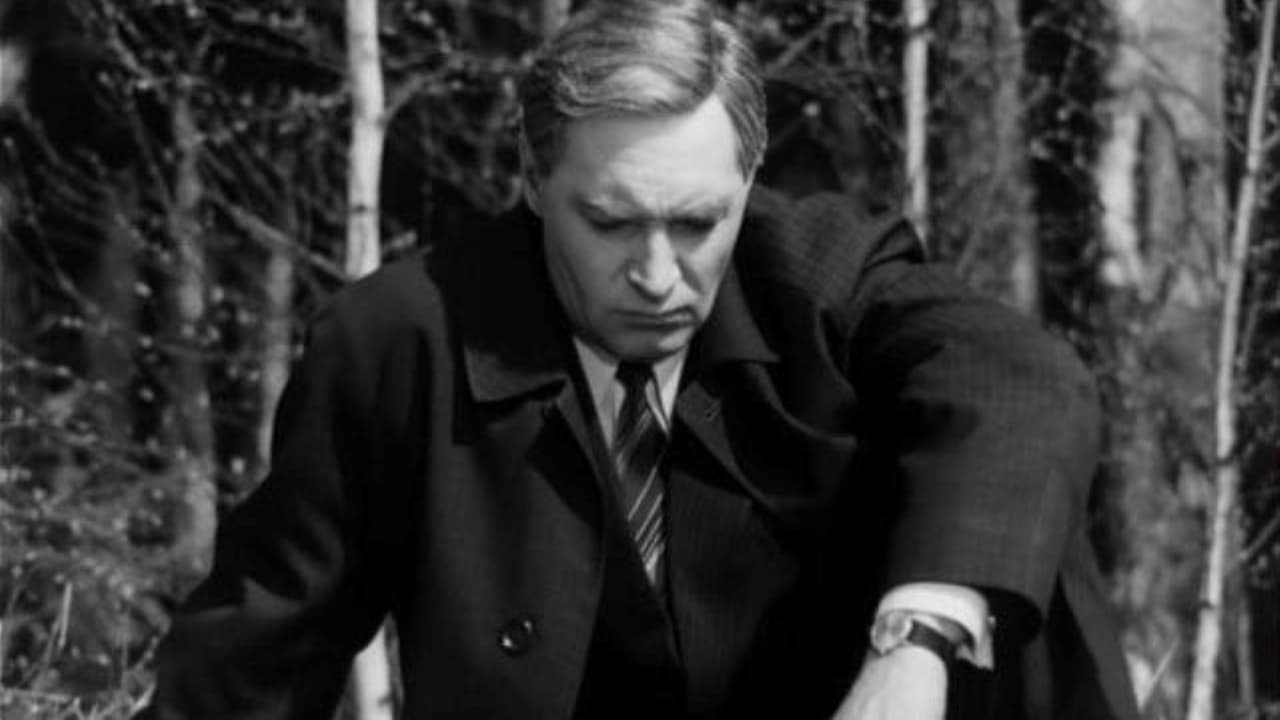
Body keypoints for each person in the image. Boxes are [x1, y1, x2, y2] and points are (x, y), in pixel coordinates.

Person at [142, 1, 1139, 718]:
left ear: (749, 182)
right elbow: (250, 665)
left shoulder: (825, 280)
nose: (658, 276)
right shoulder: (397, 343)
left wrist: (916, 646)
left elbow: (1021, 380)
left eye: (698, 222)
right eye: (610, 222)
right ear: (532, 180)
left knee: (1002, 514)